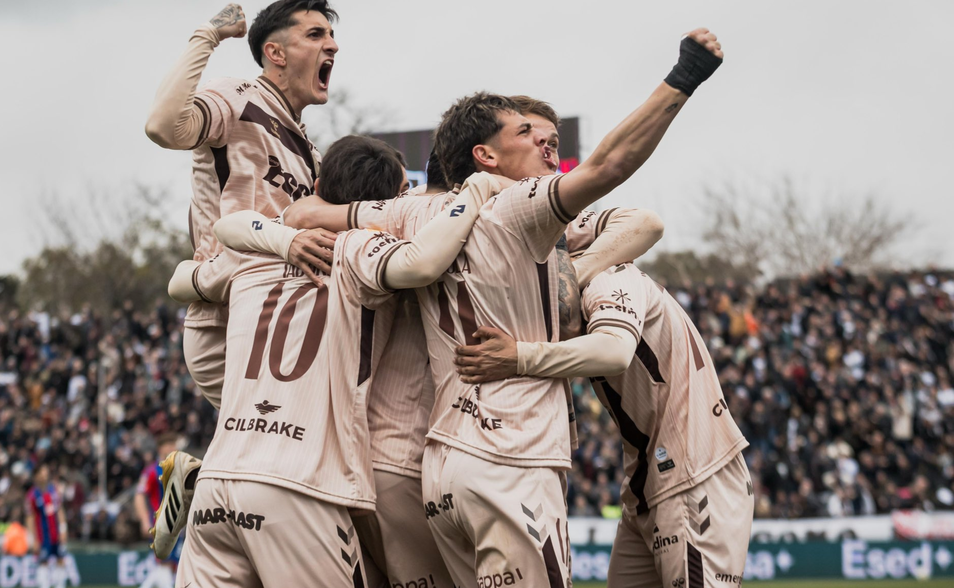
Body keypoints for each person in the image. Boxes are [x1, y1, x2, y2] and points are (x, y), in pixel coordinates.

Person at [282, 28, 724, 587]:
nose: (548, 148)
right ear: (484, 157)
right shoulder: (519, 209)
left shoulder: (410, 215)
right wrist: (684, 78)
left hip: (442, 469)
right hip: (511, 456)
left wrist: (293, 218)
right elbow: (610, 168)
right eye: (528, 135)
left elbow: (327, 215)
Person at [164, 135, 504, 588]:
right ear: (384, 207)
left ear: (319, 183)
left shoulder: (254, 250)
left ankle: (199, 470)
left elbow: (186, 277)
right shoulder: (358, 248)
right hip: (299, 488)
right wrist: (477, 192)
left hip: (219, 482)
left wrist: (282, 237)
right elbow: (422, 264)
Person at [143, 0, 341, 559]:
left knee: (304, 457)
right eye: (315, 33)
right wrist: (207, 36)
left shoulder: (308, 147)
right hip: (228, 320)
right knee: (297, 473)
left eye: (332, 35)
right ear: (275, 53)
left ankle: (199, 478)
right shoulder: (240, 97)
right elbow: (163, 125)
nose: (332, 45)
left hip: (277, 320)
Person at [452, 260, 753, 588]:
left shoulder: (608, 281)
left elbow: (615, 352)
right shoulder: (586, 285)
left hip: (693, 477)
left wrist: (520, 357)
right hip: (645, 485)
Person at [134, 435, 183, 588]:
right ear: (160, 448)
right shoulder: (152, 471)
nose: (172, 448)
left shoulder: (181, 469)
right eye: (168, 444)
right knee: (166, 564)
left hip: (179, 526)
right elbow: (139, 495)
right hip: (161, 524)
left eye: (173, 444)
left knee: (172, 566)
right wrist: (144, 520)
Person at [25, 464, 69, 588]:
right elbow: (30, 517)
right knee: (43, 562)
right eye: (43, 472)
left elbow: (59, 510)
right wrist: (32, 539)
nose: (46, 474)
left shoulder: (53, 490)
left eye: (46, 471)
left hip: (56, 532)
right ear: (37, 475)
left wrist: (63, 529)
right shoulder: (32, 495)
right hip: (42, 535)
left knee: (61, 559)